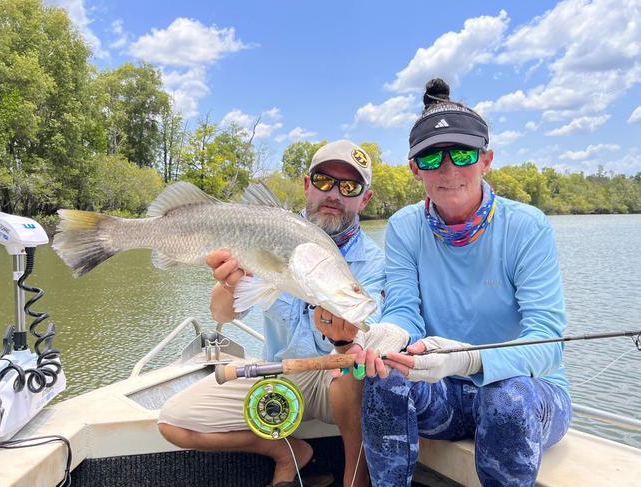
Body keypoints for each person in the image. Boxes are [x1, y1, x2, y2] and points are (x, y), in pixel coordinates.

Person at [352, 79, 571, 486]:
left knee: (505, 396)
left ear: (486, 160)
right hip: (441, 391)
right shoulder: (403, 227)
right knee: (383, 377)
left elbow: (547, 341)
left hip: (529, 394)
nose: (449, 170)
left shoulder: (528, 227)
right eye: (432, 158)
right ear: (415, 169)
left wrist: (471, 359)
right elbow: (403, 307)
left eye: (464, 154)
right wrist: (391, 333)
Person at [158, 139, 385, 487]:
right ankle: (287, 452)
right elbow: (222, 314)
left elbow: (368, 340)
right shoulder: (269, 229)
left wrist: (343, 340)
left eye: (349, 186)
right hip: (277, 373)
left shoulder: (374, 262)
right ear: (307, 185)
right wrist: (231, 283)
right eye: (324, 181)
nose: (334, 193)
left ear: (364, 199)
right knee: (174, 421)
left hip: (333, 381)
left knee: (351, 374)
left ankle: (355, 481)